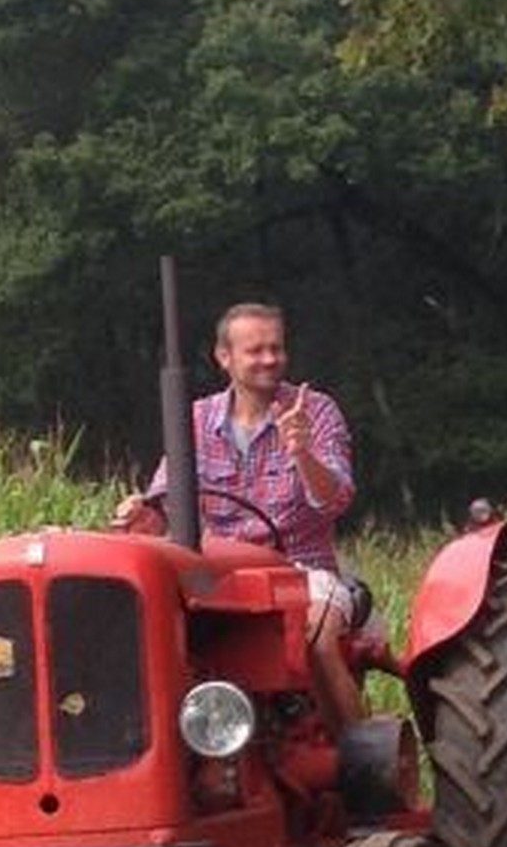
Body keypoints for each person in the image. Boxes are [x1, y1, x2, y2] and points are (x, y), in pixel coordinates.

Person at [113, 302, 364, 724]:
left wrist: (302, 453)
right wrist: (139, 512)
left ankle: (359, 761)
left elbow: (335, 499)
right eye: (256, 350)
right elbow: (164, 505)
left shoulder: (315, 412)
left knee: (317, 639)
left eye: (276, 349)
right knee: (145, 635)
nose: (270, 359)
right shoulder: (195, 418)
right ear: (224, 357)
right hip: (217, 576)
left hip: (301, 571)